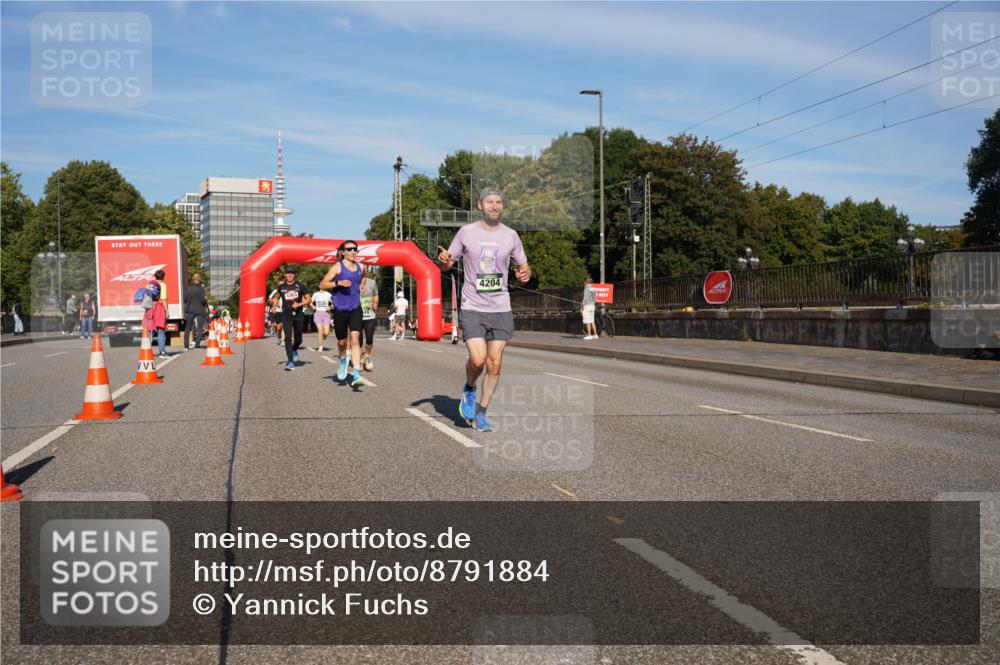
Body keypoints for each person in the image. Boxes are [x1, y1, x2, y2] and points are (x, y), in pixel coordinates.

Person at [436, 186, 530, 432]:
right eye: (490, 202)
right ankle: (469, 388)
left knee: (494, 363)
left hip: (501, 306)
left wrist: (524, 274)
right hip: (473, 306)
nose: (495, 206)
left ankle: (482, 412)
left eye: (499, 202)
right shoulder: (466, 232)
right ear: (480, 205)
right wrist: (443, 261)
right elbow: (447, 264)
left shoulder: (511, 235)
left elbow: (524, 266)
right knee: (478, 360)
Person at [320, 240, 366, 386]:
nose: (352, 251)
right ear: (343, 252)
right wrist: (337, 283)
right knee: (342, 342)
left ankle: (356, 374)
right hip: (340, 308)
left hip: (355, 307)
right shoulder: (337, 267)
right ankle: (342, 360)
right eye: (349, 249)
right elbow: (322, 284)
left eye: (354, 249)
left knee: (355, 339)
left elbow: (364, 275)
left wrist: (362, 285)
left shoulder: (362, 267)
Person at [272, 265, 309, 371]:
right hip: (286, 314)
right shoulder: (281, 287)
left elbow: (308, 299)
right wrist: (274, 306)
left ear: (295, 275)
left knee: (298, 339)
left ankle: (294, 349)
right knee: (287, 337)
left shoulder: (300, 285)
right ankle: (290, 361)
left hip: (298, 314)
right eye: (288, 273)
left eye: (292, 273)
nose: (289, 275)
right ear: (285, 274)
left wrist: (299, 304)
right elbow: (276, 297)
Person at [143, 269, 168, 357]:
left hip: (149, 307)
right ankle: (162, 352)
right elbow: (163, 299)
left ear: (155, 276)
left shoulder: (149, 285)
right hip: (159, 307)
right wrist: (167, 311)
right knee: (160, 330)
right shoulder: (163, 285)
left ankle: (147, 352)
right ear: (163, 277)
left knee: (149, 330)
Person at [359, 272, 379, 370]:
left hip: (370, 315)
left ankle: (367, 356)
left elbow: (375, 294)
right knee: (358, 340)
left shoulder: (372, 282)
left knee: (369, 339)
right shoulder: (353, 282)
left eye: (365, 269)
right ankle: (358, 360)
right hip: (357, 316)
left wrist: (375, 303)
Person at [183, 273, 208, 349]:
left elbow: (185, 299)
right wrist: (205, 299)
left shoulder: (188, 288)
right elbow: (203, 300)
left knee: (188, 328)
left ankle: (186, 345)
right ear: (199, 279)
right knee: (200, 328)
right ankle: (197, 345)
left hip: (190, 309)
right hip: (200, 310)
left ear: (193, 279)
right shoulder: (201, 289)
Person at [311, 285, 333, 352]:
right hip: (318, 313)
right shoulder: (316, 294)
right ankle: (320, 346)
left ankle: (324, 336)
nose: (322, 286)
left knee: (326, 332)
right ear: (319, 286)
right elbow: (310, 301)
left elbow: (334, 303)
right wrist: (313, 306)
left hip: (326, 314)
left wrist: (330, 307)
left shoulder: (328, 294)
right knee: (320, 330)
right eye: (321, 285)